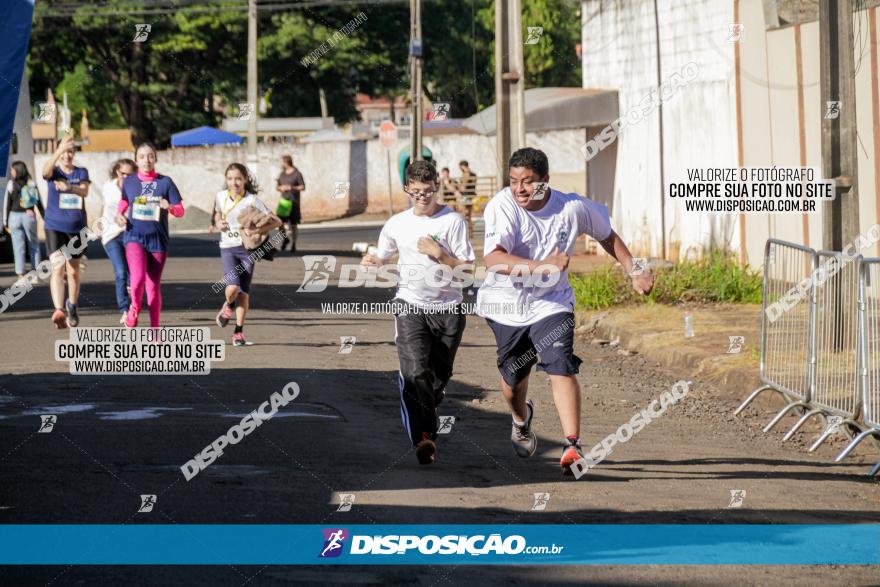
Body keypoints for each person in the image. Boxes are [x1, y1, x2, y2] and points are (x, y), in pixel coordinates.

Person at [476, 147, 653, 475]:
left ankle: (573, 445)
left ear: (545, 181)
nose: (520, 189)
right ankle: (520, 420)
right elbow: (494, 259)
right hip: (506, 306)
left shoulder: (572, 207)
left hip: (552, 303)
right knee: (513, 381)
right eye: (514, 181)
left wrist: (635, 269)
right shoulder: (502, 206)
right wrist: (540, 265)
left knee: (560, 364)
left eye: (528, 182)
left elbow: (608, 236)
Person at [361, 160, 475, 465]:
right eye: (416, 192)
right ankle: (425, 438)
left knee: (438, 379)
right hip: (410, 305)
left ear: (437, 187)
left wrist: (441, 255)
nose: (423, 197)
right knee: (415, 374)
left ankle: (427, 409)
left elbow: (468, 271)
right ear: (406, 190)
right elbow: (381, 256)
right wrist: (372, 261)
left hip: (449, 310)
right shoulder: (397, 224)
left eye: (428, 191)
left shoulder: (453, 222)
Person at [211, 163, 281, 347]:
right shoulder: (220, 196)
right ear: (226, 180)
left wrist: (256, 229)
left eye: (238, 179)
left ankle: (238, 332)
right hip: (228, 247)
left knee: (243, 293)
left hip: (247, 250)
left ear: (245, 180)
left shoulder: (252, 200)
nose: (234, 183)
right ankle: (228, 305)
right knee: (232, 288)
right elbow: (217, 215)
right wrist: (219, 224)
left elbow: (277, 221)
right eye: (230, 179)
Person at [117, 142, 184, 328]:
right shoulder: (129, 182)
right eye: (142, 156)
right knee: (137, 280)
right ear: (136, 160)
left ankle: (155, 330)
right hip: (134, 237)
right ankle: (135, 307)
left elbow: (180, 210)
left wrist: (169, 207)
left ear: (155, 158)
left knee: (153, 288)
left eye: (150, 156)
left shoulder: (165, 182)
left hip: (158, 240)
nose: (146, 160)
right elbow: (123, 201)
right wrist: (119, 215)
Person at [41, 135, 91, 329]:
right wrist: (58, 149)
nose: (67, 155)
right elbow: (45, 172)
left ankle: (72, 306)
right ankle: (58, 309)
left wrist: (69, 187)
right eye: (65, 152)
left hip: (77, 228)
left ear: (74, 154)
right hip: (54, 225)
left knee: (73, 271)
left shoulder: (81, 172)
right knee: (57, 267)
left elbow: (85, 191)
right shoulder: (54, 171)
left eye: (70, 152)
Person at [100, 158, 135, 324]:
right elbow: (105, 206)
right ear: (116, 172)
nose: (126, 177)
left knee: (133, 274)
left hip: (131, 234)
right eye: (123, 173)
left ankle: (133, 302)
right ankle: (124, 309)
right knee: (120, 272)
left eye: (130, 174)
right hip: (111, 235)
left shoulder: (138, 187)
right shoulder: (108, 187)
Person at [3, 161, 44, 284]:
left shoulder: (11, 184)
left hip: (14, 217)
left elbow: (7, 204)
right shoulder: (32, 183)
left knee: (18, 247)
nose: (11, 172)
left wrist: (5, 221)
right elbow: (39, 202)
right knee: (34, 245)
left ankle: (21, 275)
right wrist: (45, 216)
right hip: (29, 216)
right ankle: (35, 274)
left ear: (17, 170)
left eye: (12, 170)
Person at [276, 155, 305, 252]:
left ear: (287, 162)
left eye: (282, 162)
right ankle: (285, 239)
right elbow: (278, 187)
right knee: (279, 223)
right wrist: (281, 188)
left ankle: (294, 244)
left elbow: (302, 187)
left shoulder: (297, 174)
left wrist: (291, 187)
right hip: (284, 202)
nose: (281, 164)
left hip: (294, 202)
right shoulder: (282, 174)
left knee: (293, 225)